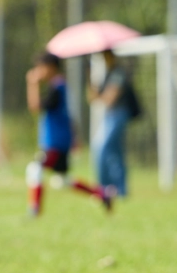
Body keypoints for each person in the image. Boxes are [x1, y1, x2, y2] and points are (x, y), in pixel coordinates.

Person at [26, 52, 112, 216]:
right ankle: (102, 194)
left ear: (50, 68)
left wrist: (32, 84)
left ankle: (34, 210)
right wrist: (75, 137)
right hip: (62, 140)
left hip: (55, 142)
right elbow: (70, 115)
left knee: (34, 169)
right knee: (61, 180)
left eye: (40, 68)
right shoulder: (62, 87)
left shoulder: (56, 89)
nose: (38, 71)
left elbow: (35, 107)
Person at [89, 49, 140, 198]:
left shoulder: (118, 73)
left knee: (102, 148)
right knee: (115, 152)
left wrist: (102, 95)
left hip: (118, 115)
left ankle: (105, 188)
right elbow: (94, 99)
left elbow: (110, 99)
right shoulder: (107, 74)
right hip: (110, 115)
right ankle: (117, 189)